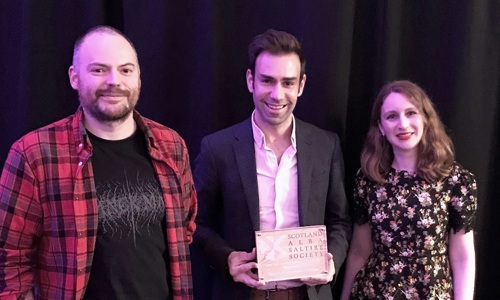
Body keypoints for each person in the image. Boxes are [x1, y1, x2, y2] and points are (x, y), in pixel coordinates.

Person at [0, 26, 197, 300]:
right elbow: (10, 259)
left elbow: (184, 228)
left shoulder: (172, 146)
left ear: (139, 78)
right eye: (99, 70)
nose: (114, 81)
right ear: (74, 77)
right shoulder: (34, 154)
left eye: (126, 70)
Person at [192, 29, 351, 300]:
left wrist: (332, 260)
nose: (277, 94)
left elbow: (340, 221)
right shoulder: (216, 148)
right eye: (267, 80)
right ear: (250, 80)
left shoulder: (326, 145)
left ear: (301, 85)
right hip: (243, 294)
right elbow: (196, 222)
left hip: (308, 294)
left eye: (288, 83)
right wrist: (227, 258)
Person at [340, 80, 477, 300]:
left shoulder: (456, 181)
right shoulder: (368, 180)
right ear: (381, 127)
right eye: (392, 116)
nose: (403, 124)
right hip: (374, 293)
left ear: (425, 118)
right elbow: (359, 250)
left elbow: (462, 257)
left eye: (411, 113)